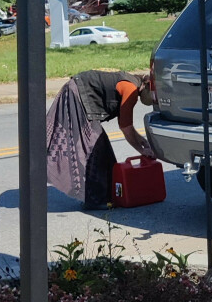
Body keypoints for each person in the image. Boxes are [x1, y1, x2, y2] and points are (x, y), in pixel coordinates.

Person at [46, 69, 155, 208]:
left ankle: (101, 197)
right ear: (146, 85)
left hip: (77, 92)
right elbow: (126, 127)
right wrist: (142, 150)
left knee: (97, 149)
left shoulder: (132, 83)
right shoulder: (130, 89)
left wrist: (142, 141)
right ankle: (96, 200)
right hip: (76, 94)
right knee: (96, 149)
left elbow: (126, 124)